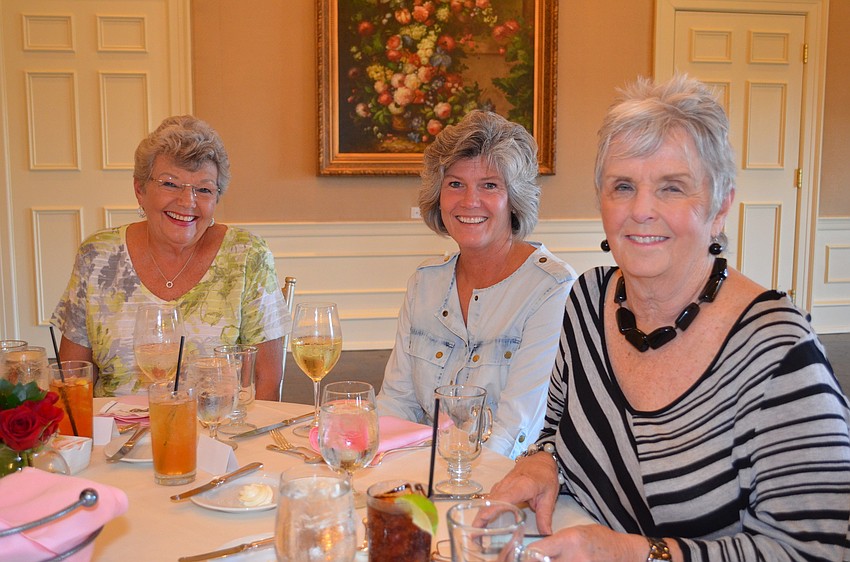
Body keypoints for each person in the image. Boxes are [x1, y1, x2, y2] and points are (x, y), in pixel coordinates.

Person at [488, 75, 850, 560]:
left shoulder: (779, 350)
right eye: (623, 186)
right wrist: (542, 463)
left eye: (672, 188)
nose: (641, 210)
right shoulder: (588, 300)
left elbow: (820, 550)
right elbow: (557, 430)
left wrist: (639, 554)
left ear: (720, 207)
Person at [376, 110, 577, 459]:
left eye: (489, 185)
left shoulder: (551, 289)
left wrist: (459, 484)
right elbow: (397, 403)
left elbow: (516, 429)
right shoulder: (425, 282)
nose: (470, 201)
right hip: (425, 475)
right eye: (455, 184)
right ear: (438, 196)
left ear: (514, 200)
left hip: (510, 483)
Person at [51, 116, 289, 399]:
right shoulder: (98, 255)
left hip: (217, 432)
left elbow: (267, 381)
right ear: (140, 190)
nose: (187, 201)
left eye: (204, 189)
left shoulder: (247, 255)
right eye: (170, 184)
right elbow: (73, 375)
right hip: (119, 436)